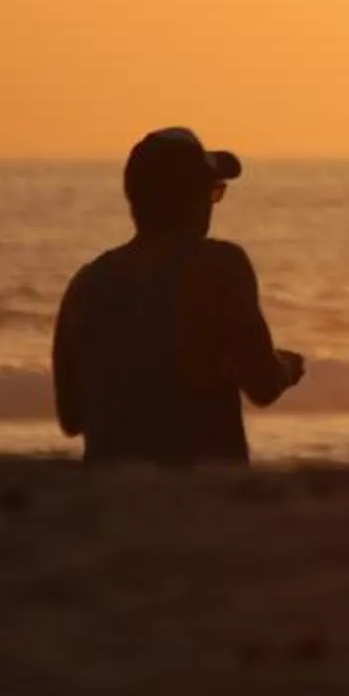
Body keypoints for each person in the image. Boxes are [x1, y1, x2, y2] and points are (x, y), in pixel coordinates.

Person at [51, 127, 305, 465]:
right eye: (212, 192)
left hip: (109, 498)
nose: (213, 205)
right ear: (193, 200)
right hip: (203, 490)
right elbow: (263, 385)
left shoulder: (85, 284)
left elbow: (71, 419)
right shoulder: (219, 265)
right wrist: (287, 365)